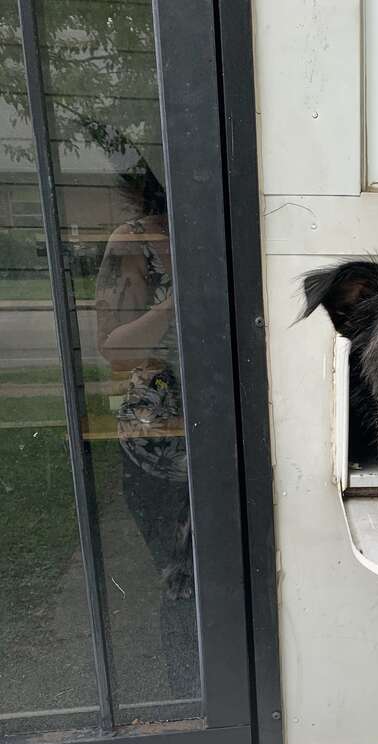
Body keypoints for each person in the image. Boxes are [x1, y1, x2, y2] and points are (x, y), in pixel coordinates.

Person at [95, 164, 200, 701]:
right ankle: (189, 696)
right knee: (180, 580)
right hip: (160, 442)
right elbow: (113, 348)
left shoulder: (207, 231)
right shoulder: (131, 244)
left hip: (222, 431)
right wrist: (172, 303)